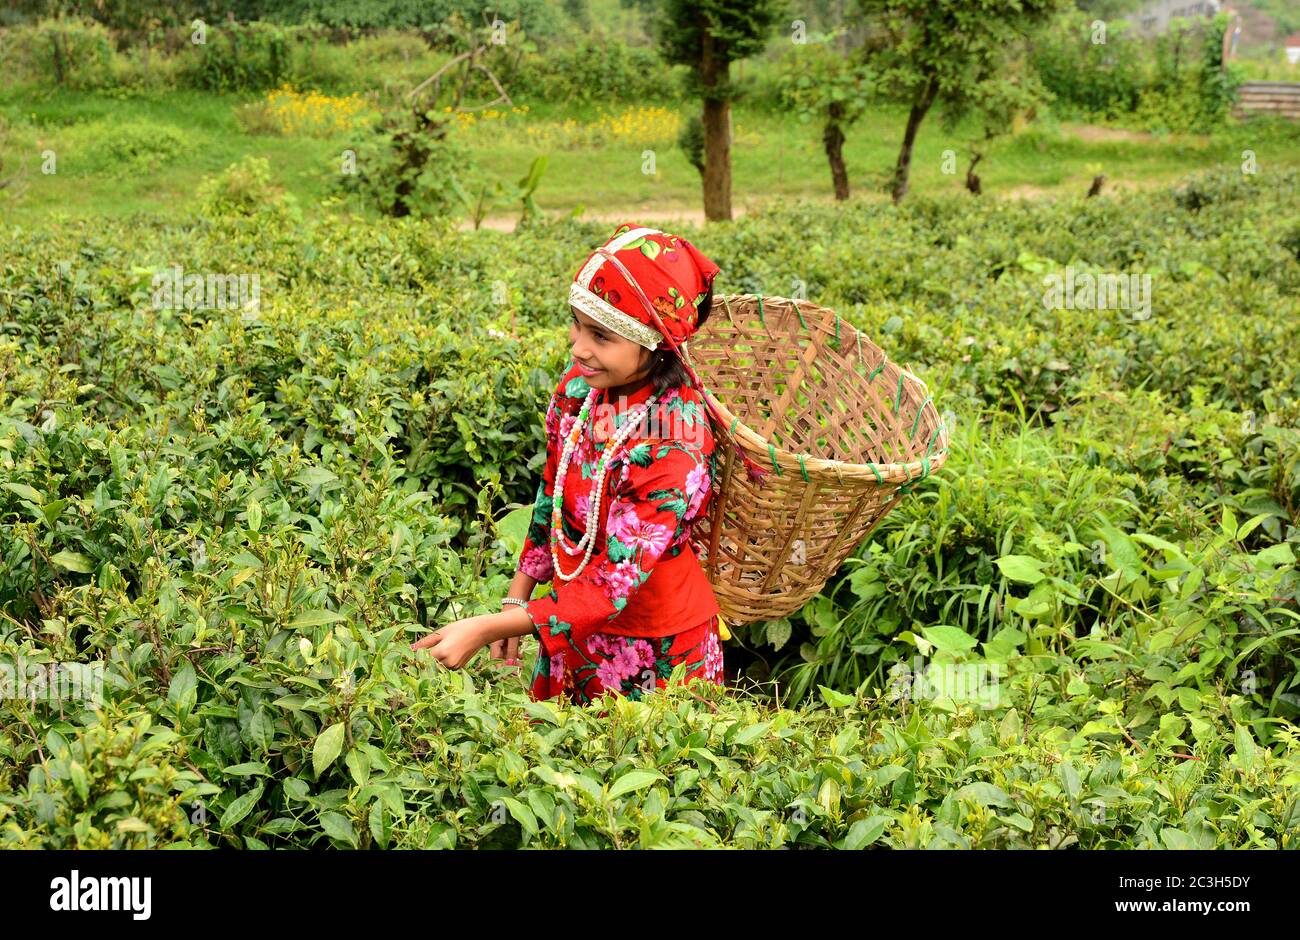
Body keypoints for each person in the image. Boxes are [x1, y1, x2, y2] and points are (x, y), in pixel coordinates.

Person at [411, 223, 728, 705]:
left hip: (656, 645)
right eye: (577, 324)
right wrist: (517, 599)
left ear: (653, 341)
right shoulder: (579, 391)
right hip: (566, 621)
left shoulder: (674, 438)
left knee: (640, 767)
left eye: (601, 335)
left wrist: (489, 628)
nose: (579, 347)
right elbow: (553, 499)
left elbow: (612, 583)